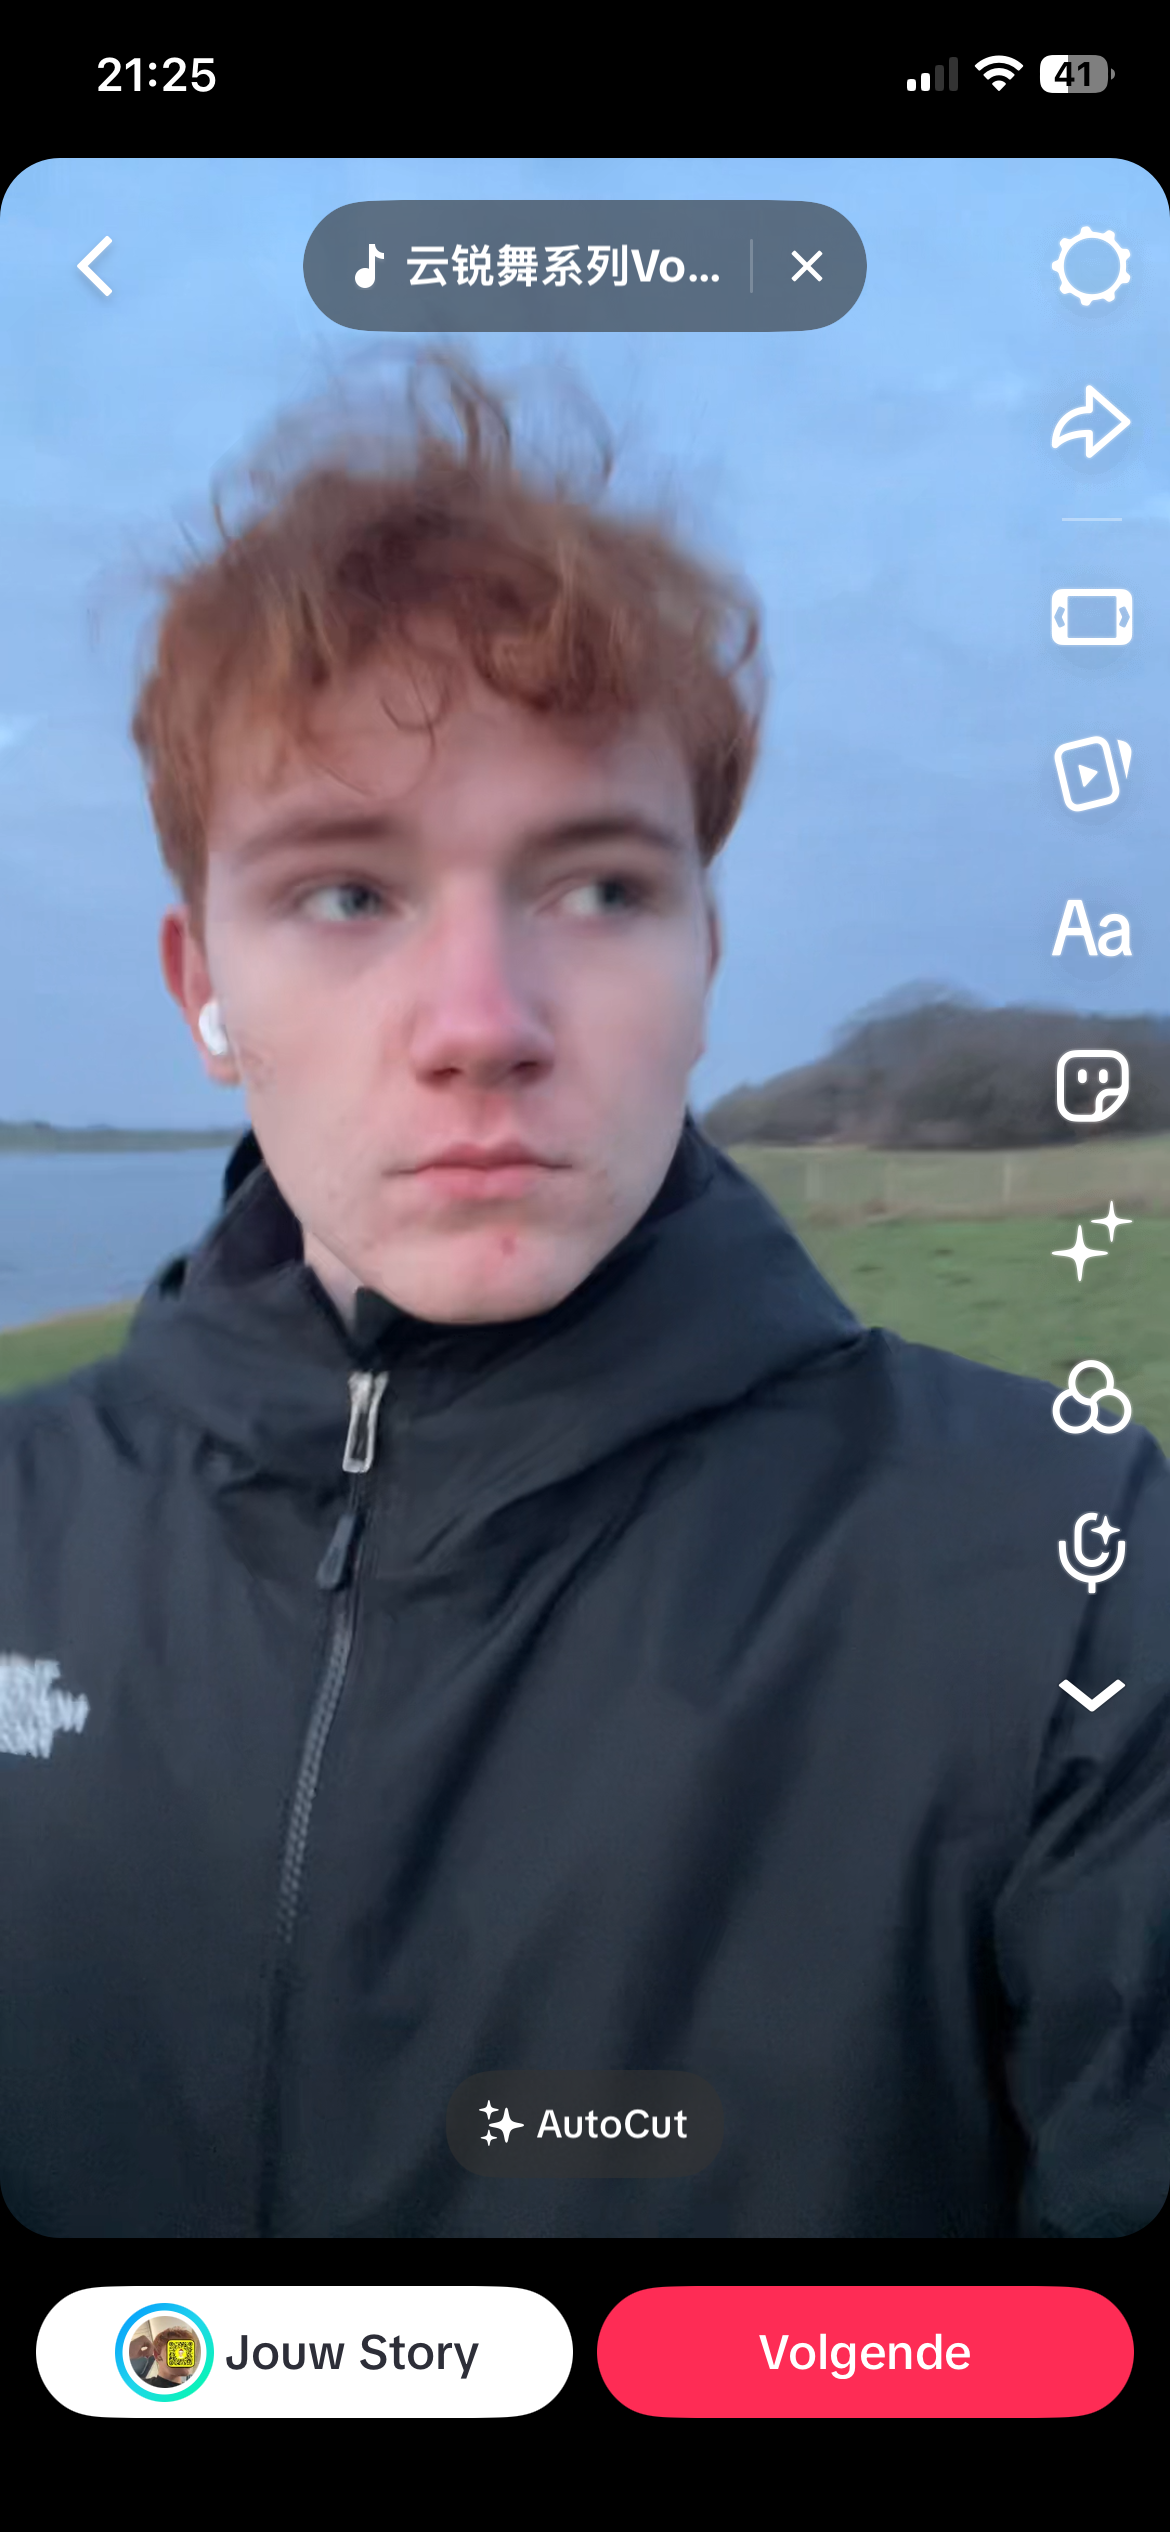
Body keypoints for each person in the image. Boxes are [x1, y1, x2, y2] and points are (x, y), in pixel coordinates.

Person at [0, 349, 1167, 2239]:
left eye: (601, 890)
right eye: (346, 895)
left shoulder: (1078, 1566)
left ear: (704, 959)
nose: (482, 1025)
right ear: (199, 988)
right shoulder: (21, 1523)